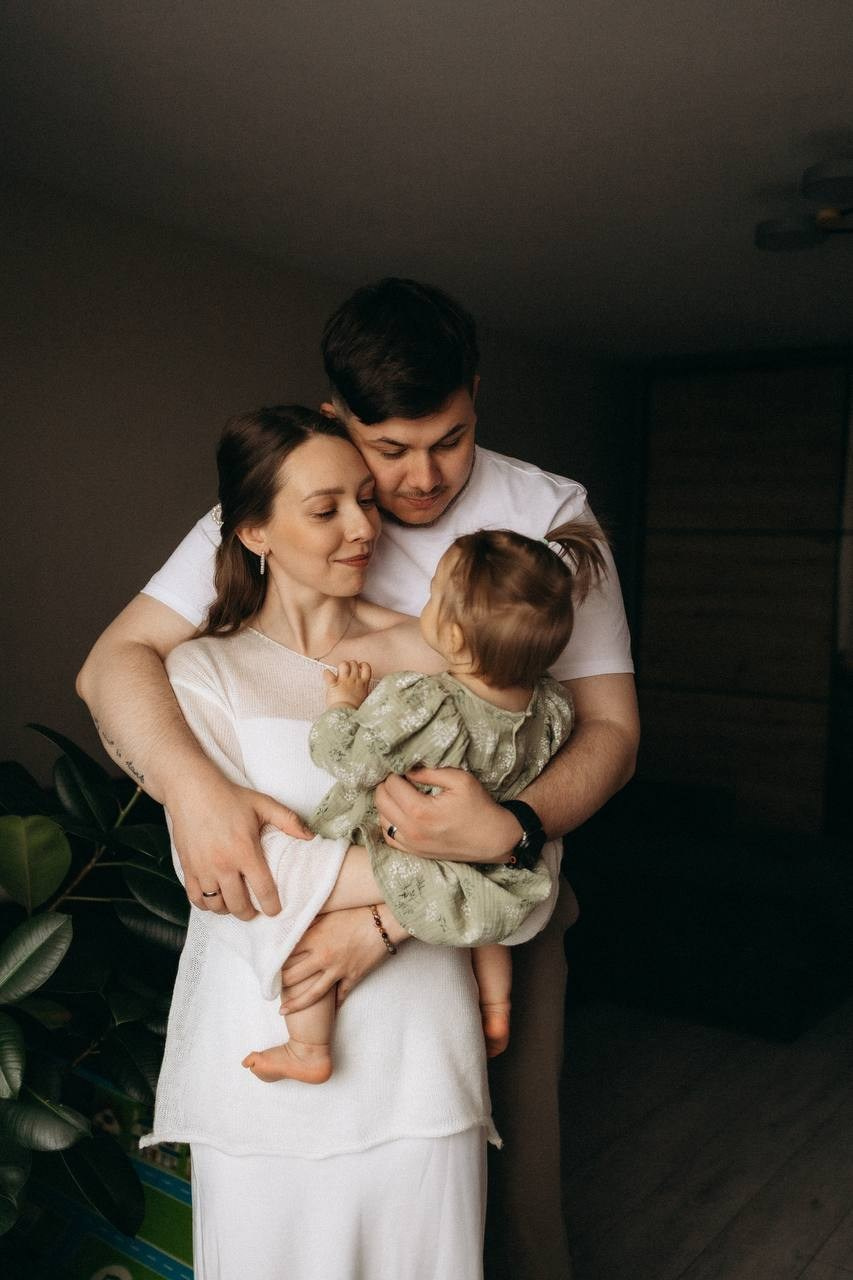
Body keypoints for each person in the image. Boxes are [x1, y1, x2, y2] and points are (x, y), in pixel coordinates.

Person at [78, 278, 639, 1280]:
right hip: (350, 886)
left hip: (503, 886)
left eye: (450, 439)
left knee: (516, 1205)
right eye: (389, 450)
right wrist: (194, 791)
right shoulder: (291, 500)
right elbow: (117, 661)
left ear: (475, 396)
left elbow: (607, 729)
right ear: (339, 416)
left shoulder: (545, 515)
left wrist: (493, 840)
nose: (420, 480)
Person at [144, 404, 529, 1277]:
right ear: (254, 532)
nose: (363, 527)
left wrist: (482, 854)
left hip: (422, 1047)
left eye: (365, 498)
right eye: (326, 509)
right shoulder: (201, 672)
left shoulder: (437, 653)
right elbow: (237, 874)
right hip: (264, 1046)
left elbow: (517, 830)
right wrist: (457, 859)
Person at [243, 522, 605, 1085]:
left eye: (434, 595)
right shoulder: (552, 706)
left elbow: (349, 758)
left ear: (455, 639)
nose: (423, 603)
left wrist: (342, 705)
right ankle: (495, 1009)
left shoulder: (428, 702)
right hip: (488, 861)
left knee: (305, 928)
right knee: (483, 909)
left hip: (410, 844)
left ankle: (308, 1047)